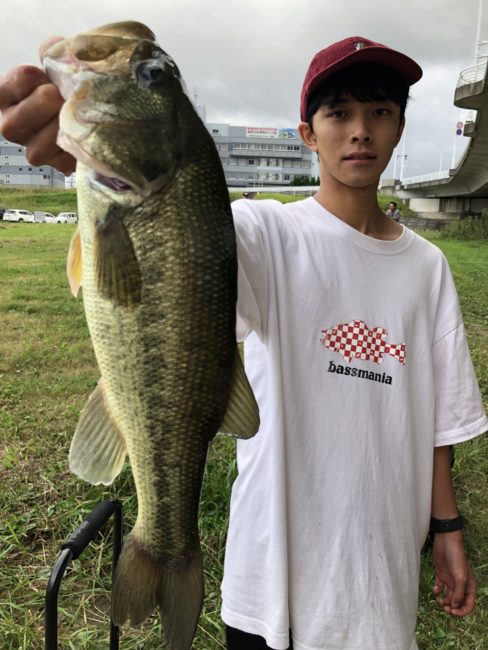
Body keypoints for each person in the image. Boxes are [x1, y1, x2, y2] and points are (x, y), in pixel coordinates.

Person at [0, 34, 486, 650]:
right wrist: (96, 156)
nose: (360, 131)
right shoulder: (263, 231)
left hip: (380, 579)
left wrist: (447, 527)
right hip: (269, 580)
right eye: (339, 113)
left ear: (399, 129)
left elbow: (440, 418)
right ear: (308, 134)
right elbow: (180, 237)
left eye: (380, 112)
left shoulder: (428, 268)